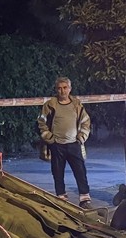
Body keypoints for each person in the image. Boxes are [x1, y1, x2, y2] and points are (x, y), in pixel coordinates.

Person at [37, 76, 92, 206]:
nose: (62, 91)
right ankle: (61, 198)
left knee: (80, 171)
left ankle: (84, 198)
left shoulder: (77, 105)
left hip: (74, 144)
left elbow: (86, 122)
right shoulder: (49, 105)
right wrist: (49, 138)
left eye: (65, 88)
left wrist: (81, 138)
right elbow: (41, 122)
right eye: (59, 88)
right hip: (57, 146)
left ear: (70, 88)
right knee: (57, 172)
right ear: (56, 89)